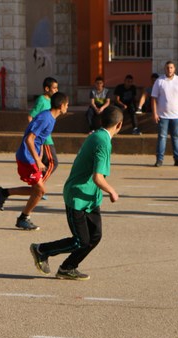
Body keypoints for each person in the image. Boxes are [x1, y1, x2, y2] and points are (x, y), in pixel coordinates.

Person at [29, 106, 123, 281]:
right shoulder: (103, 141)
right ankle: (42, 250)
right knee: (81, 240)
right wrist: (112, 191)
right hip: (78, 197)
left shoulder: (98, 135)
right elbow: (98, 178)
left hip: (90, 198)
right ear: (119, 125)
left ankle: (67, 268)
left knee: (95, 236)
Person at [0, 92, 69, 231]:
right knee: (40, 191)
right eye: (67, 104)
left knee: (37, 190)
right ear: (61, 105)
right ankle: (23, 218)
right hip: (27, 158)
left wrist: (39, 153)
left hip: (29, 157)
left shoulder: (50, 117)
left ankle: (3, 193)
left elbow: (37, 140)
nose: (67, 107)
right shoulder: (46, 118)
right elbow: (29, 139)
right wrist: (38, 160)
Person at [151, 60, 178, 167]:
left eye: (171, 68)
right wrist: (154, 113)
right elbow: (153, 98)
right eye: (167, 68)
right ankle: (159, 160)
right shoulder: (159, 81)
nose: (169, 69)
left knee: (176, 137)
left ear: (174, 69)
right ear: (165, 69)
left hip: (176, 115)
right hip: (162, 116)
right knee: (162, 137)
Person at [28, 77, 60, 186]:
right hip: (44, 139)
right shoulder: (42, 100)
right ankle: (38, 185)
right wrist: (35, 134)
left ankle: (38, 184)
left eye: (57, 88)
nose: (56, 90)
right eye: (54, 88)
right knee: (53, 162)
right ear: (47, 89)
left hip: (47, 136)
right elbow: (30, 117)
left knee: (44, 164)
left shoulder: (51, 101)